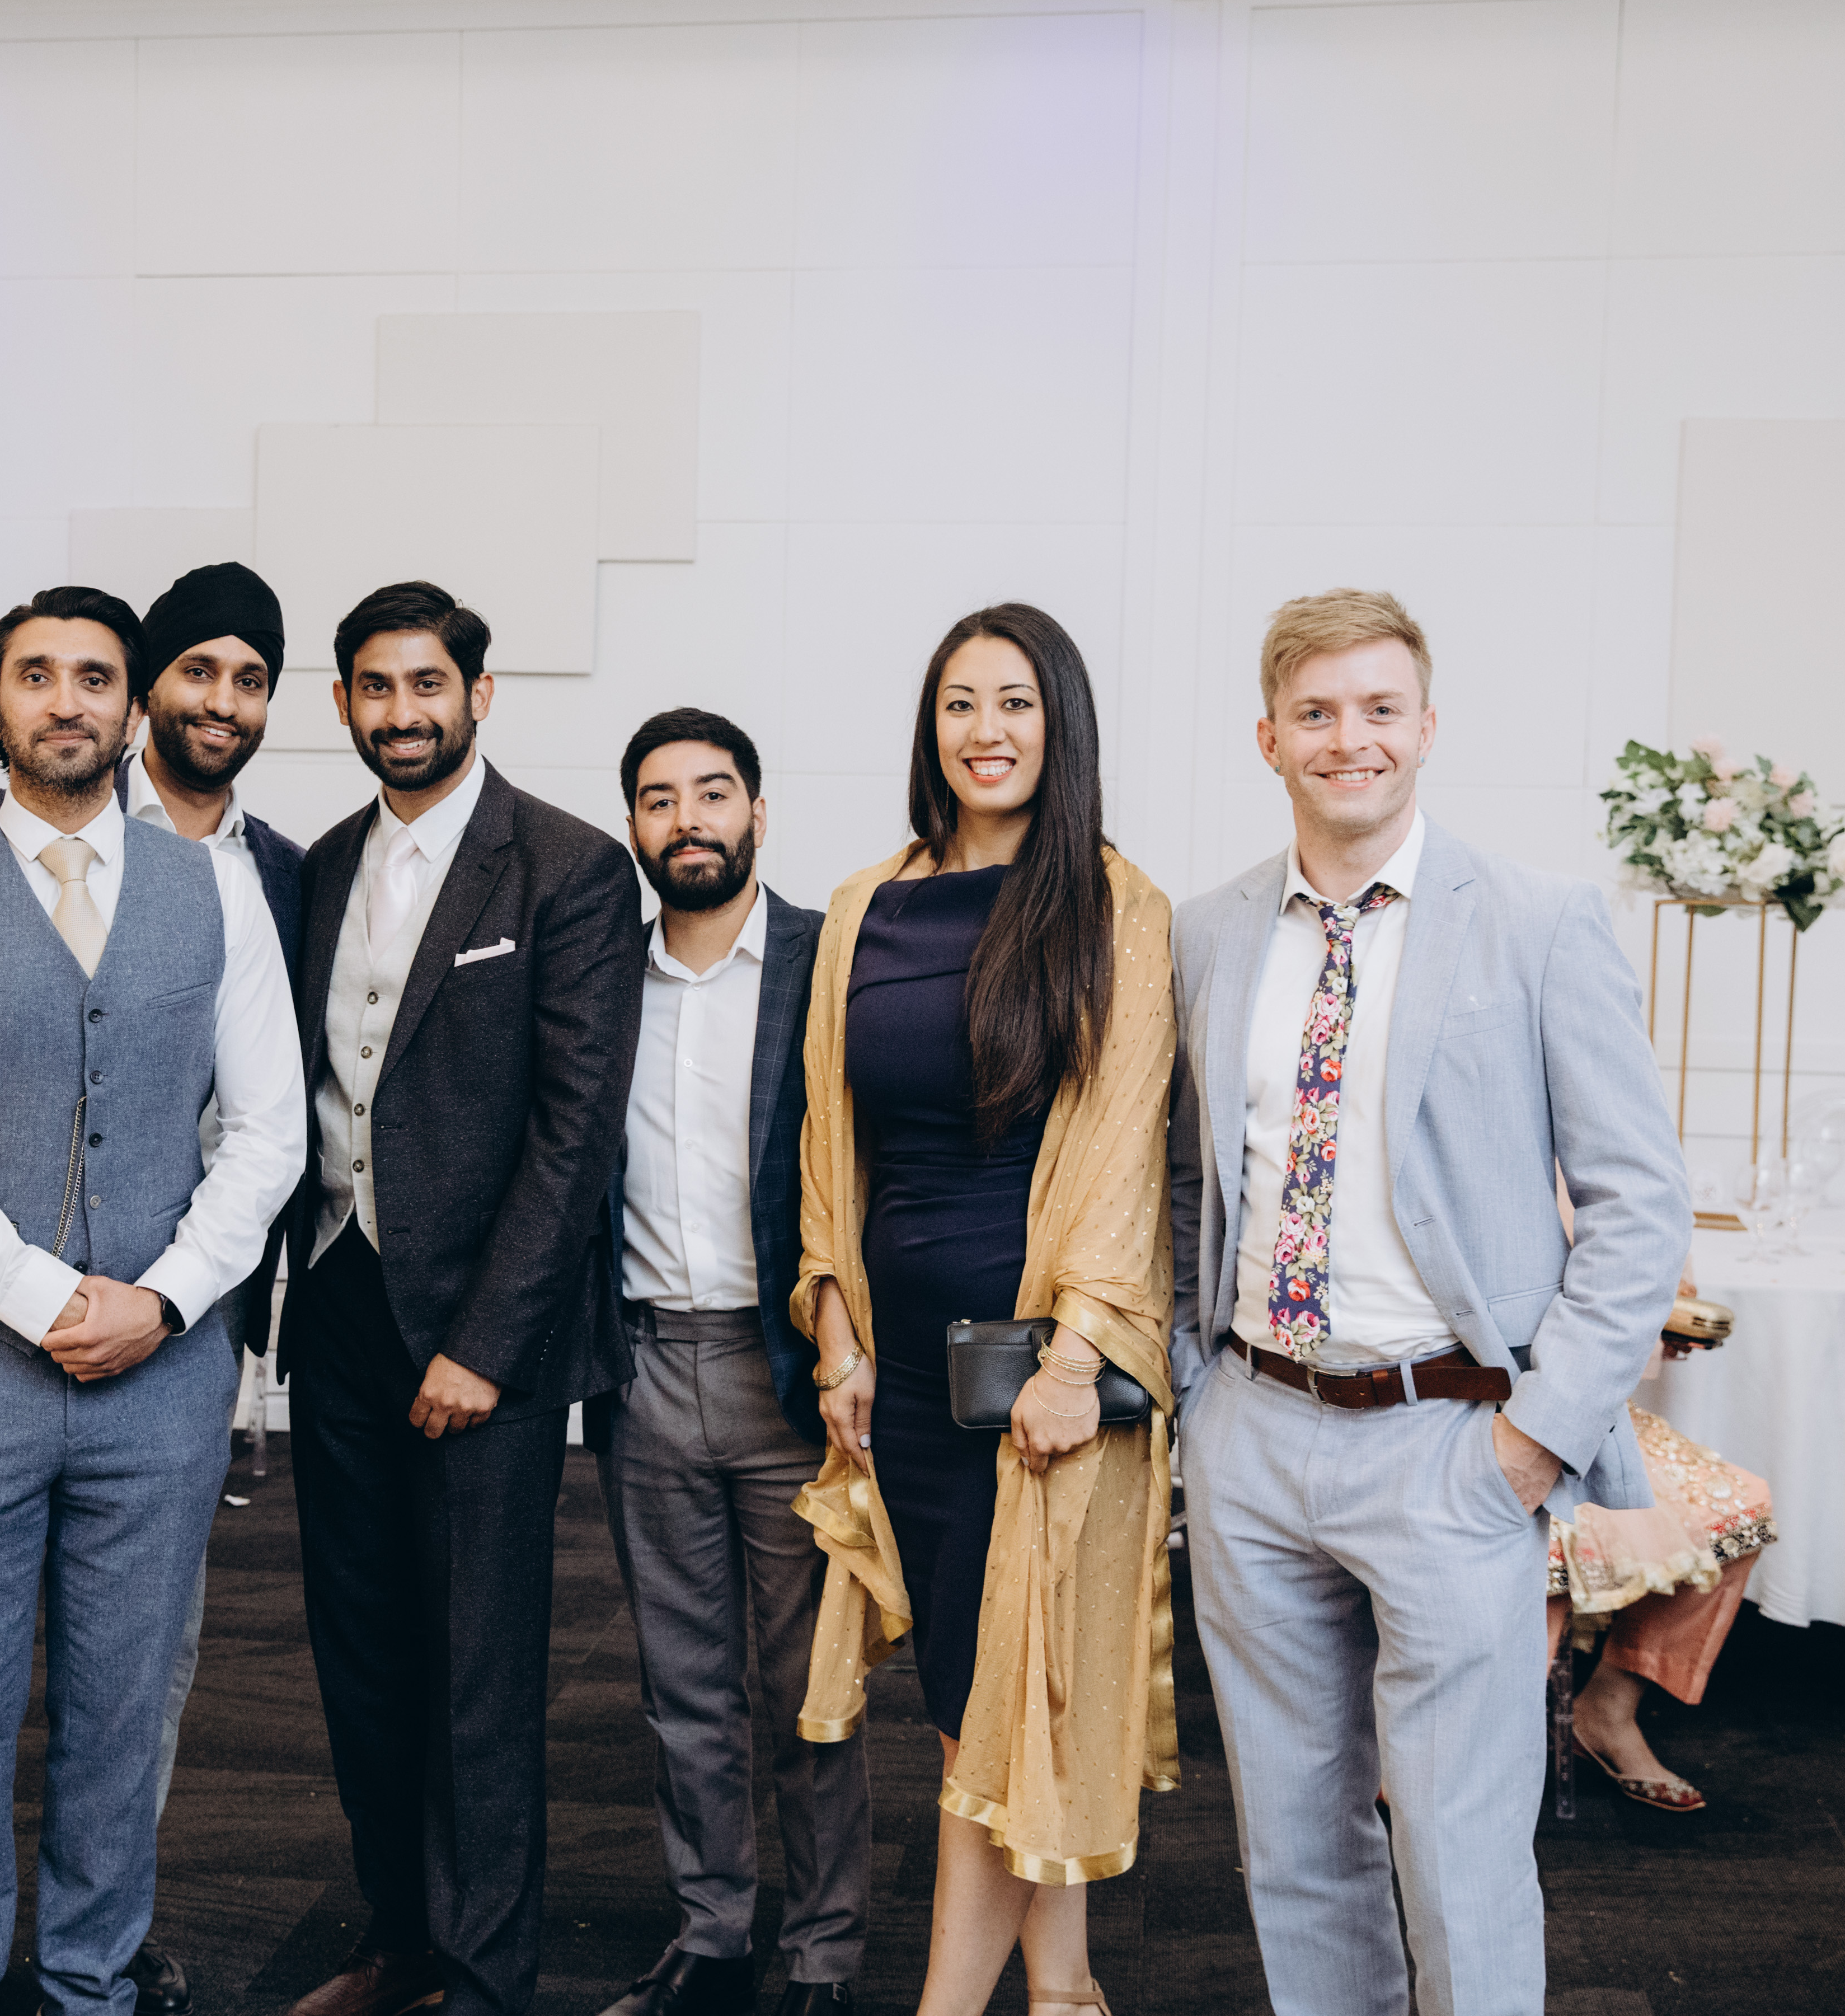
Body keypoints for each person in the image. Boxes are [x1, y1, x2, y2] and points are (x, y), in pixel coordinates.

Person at [1165, 589, 1689, 2016]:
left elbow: (1638, 1208)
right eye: (1315, 712)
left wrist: (1531, 1441)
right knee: (1292, 1846)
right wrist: (1196, 1400)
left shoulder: (1535, 922)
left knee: (1458, 1853)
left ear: (1425, 725)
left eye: (1378, 708)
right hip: (1252, 1432)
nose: (1349, 739)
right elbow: (1183, 1184)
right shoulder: (1205, 932)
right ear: (1266, 737)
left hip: (1451, 1442)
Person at [0, 587, 306, 2016]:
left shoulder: (215, 888)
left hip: (160, 1387)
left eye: (94, 676)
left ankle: (91, 1984)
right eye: (34, 675)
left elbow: (270, 1133)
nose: (66, 700)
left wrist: (158, 1300)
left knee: (118, 1721)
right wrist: (46, 1298)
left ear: (131, 705)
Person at [792, 604, 1178, 2016]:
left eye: (1013, 701)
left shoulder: (1112, 905)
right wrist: (836, 1337)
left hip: (1039, 1376)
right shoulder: (863, 906)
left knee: (1000, 1702)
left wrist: (1074, 1359)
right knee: (996, 1687)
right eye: (959, 702)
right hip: (903, 1372)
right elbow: (828, 1139)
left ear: (1057, 721)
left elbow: (1124, 1144)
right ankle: (1061, 1987)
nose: (985, 729)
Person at [278, 580, 649, 2016]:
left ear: (478, 695)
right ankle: (398, 1939)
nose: (401, 712)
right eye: (374, 687)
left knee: (477, 1673)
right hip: (337, 1306)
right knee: (362, 1653)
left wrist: (487, 1345)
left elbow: (572, 1132)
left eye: (426, 684)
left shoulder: (566, 867)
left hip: (482, 1336)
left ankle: (486, 1977)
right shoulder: (319, 864)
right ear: (343, 704)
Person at [588, 709, 865, 2016]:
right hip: (643, 1366)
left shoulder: (827, 961)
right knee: (681, 1686)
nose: (686, 819)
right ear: (633, 826)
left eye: (711, 793)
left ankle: (821, 1952)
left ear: (758, 811)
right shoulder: (598, 975)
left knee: (808, 1684)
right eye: (659, 799)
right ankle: (711, 1934)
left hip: (786, 1366)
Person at [1548, 1282, 1776, 1813]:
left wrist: (1658, 1323)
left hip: (1590, 1405)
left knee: (1739, 1515)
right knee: (1547, 1561)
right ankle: (1409, 1747)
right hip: (1479, 1403)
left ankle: (1608, 1707)